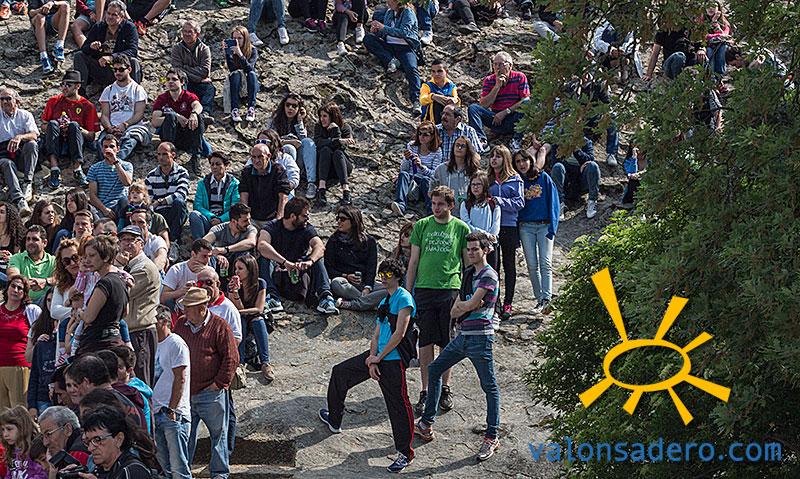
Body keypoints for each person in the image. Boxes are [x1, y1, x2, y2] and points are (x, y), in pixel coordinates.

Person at [319, 258, 416, 473]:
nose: (383, 278)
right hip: (379, 356)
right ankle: (334, 419)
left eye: (388, 274)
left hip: (393, 359)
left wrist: (379, 358)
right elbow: (377, 334)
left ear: (397, 276)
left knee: (398, 405)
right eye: (382, 274)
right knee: (340, 372)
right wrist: (372, 358)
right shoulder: (384, 301)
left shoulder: (404, 298)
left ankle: (405, 454)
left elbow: (400, 334)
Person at [415, 232, 501, 462]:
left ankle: (492, 436)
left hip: (481, 338)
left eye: (475, 249)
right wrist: (469, 305)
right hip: (463, 336)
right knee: (435, 369)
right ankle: (426, 423)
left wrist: (468, 305)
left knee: (489, 386)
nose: (471, 252)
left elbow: (469, 304)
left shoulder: (489, 275)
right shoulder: (469, 274)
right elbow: (455, 311)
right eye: (469, 249)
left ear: (485, 250)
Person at [405, 186, 470, 415]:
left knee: (446, 341)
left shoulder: (461, 228)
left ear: (451, 205)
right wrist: (407, 292)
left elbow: (467, 265)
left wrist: (464, 294)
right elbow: (413, 261)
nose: (436, 208)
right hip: (424, 288)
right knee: (425, 341)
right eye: (433, 203)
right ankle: (425, 390)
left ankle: (445, 387)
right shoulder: (422, 225)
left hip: (450, 289)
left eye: (441, 204)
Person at [174, 287, 238, 479]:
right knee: (186, 434)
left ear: (202, 308)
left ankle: (219, 473)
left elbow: (231, 358)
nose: (185, 311)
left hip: (211, 392)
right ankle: (184, 472)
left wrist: (218, 384)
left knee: (218, 435)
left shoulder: (219, 326)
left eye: (189, 307)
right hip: (187, 393)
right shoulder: (181, 324)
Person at [256, 197, 339, 315]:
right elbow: (262, 245)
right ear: (293, 216)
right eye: (304, 216)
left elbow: (319, 246)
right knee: (265, 258)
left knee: (318, 258)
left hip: (300, 274)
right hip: (278, 272)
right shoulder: (273, 227)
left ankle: (325, 298)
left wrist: (310, 261)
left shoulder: (306, 228)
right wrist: (285, 262)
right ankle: (272, 297)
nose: (307, 219)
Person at [513, 149, 559, 314]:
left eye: (524, 160)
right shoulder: (516, 181)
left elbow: (554, 202)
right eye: (518, 161)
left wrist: (553, 227)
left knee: (545, 262)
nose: (522, 164)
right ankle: (539, 300)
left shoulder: (543, 177)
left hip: (544, 225)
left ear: (530, 160)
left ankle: (547, 299)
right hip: (525, 227)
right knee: (532, 265)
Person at [115, 225, 159, 385]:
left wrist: (118, 266)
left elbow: (119, 293)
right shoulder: (130, 265)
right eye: (123, 240)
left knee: (140, 384)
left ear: (141, 243)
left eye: (131, 240)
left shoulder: (144, 268)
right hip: (129, 332)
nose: (126, 244)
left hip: (140, 333)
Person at [338, 221, 414, 312]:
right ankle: (372, 302)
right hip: (388, 284)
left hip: (400, 292)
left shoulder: (417, 259)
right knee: (341, 283)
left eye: (406, 235)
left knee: (389, 291)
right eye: (401, 234)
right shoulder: (397, 252)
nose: (402, 237)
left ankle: (356, 304)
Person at [40, 70, 99, 188]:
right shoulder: (54, 101)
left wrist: (77, 128)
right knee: (53, 123)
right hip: (57, 141)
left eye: (68, 85)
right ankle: (54, 169)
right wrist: (58, 126)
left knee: (74, 125)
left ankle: (77, 169)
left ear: (78, 86)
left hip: (75, 142)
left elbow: (91, 136)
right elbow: (43, 126)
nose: (64, 88)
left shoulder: (87, 106)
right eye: (62, 84)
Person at [364, 0, 422, 115]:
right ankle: (391, 60)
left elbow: (403, 32)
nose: (387, 2)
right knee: (368, 39)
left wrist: (383, 27)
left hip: (405, 48)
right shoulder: (389, 12)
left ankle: (416, 100)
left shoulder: (408, 12)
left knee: (411, 69)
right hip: (390, 46)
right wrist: (377, 31)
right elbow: (386, 33)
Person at [153, 305, 191, 479]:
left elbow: (180, 377)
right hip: (157, 411)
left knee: (178, 469)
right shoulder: (153, 344)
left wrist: (172, 409)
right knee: (165, 469)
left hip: (172, 413)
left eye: (153, 319)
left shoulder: (175, 343)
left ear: (164, 321)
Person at [73, 235, 129, 356]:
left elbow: (89, 317)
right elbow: (125, 312)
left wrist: (79, 312)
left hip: (98, 344)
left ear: (106, 257)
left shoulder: (105, 283)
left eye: (92, 255)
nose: (87, 260)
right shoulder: (121, 280)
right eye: (86, 256)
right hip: (115, 340)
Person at [486, 145, 524, 319]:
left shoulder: (515, 179)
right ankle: (495, 301)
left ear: (506, 159)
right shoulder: (487, 179)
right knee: (493, 265)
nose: (494, 159)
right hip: (491, 227)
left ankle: (508, 302)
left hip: (509, 226)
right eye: (492, 156)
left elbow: (519, 202)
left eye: (498, 156)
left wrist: (499, 201)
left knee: (509, 265)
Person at [73, 1, 141, 95]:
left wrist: (112, 57)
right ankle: (80, 94)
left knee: (134, 62)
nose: (110, 17)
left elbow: (132, 51)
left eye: (114, 15)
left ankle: (135, 95)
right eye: (108, 13)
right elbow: (84, 48)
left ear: (122, 16)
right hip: (102, 68)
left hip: (121, 70)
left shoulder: (129, 28)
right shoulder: (99, 27)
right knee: (79, 56)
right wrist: (91, 46)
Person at [468, 51, 530, 151]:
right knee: (473, 108)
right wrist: (497, 86)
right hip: (495, 119)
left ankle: (516, 141)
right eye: (495, 64)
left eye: (501, 64)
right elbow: (483, 105)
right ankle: (481, 140)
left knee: (527, 103)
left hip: (513, 118)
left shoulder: (519, 77)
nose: (497, 67)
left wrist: (506, 112)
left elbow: (525, 99)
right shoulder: (489, 80)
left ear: (510, 66)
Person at [97, 53, 151, 163]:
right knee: (100, 142)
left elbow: (139, 114)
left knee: (129, 141)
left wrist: (125, 125)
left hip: (132, 127)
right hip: (112, 127)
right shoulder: (108, 90)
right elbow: (105, 115)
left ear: (129, 69)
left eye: (121, 69)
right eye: (115, 70)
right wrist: (109, 128)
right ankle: (107, 166)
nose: (117, 72)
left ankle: (114, 164)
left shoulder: (138, 89)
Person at [228, 254, 274, 381]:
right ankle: (240, 363)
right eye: (236, 268)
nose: (236, 272)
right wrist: (235, 293)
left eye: (240, 269)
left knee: (258, 320)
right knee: (240, 321)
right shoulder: (232, 285)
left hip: (255, 316)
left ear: (250, 270)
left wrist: (240, 312)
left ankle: (265, 362)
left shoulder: (260, 283)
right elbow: (236, 308)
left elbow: (258, 308)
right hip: (241, 317)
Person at [80, 405, 158, 478]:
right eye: (88, 441)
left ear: (119, 439)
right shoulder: (99, 469)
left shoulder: (133, 471)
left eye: (97, 440)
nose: (90, 448)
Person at [151, 70, 206, 174]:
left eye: (174, 79)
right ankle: (168, 156)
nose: (170, 82)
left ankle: (196, 157)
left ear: (182, 82)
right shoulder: (162, 98)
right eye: (168, 79)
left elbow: (198, 105)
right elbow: (155, 121)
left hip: (187, 135)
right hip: (170, 135)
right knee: (170, 116)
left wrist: (194, 114)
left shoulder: (188, 96)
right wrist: (176, 116)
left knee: (198, 117)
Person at [0, 276, 41, 408]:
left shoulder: (31, 311)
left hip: (19, 366)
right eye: (13, 286)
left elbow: (40, 333)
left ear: (24, 293)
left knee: (19, 411)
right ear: (7, 288)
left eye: (20, 288)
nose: (16, 290)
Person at [326, 206, 378, 306]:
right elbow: (328, 267)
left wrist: (367, 287)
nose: (339, 222)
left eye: (343, 219)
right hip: (345, 281)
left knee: (391, 289)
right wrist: (346, 276)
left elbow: (371, 267)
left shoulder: (369, 241)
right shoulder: (334, 241)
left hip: (363, 282)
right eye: (338, 218)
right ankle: (365, 301)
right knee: (336, 283)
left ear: (353, 221)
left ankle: (357, 303)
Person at [0, 86, 40, 213]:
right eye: (1, 99)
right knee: (6, 163)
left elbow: (34, 134)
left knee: (32, 144)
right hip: (3, 154)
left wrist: (19, 137)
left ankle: (27, 183)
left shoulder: (25, 115)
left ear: (16, 101)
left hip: (21, 153)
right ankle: (19, 200)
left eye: (8, 98)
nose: (4, 102)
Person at [391, 121, 442, 216]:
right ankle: (400, 205)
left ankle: (431, 211)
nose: (422, 137)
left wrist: (421, 166)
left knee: (426, 180)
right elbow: (404, 169)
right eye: (420, 134)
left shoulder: (437, 152)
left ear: (432, 136)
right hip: (411, 179)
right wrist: (406, 159)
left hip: (424, 183)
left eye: (425, 135)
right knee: (403, 175)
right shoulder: (411, 146)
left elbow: (434, 174)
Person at [145, 142, 190, 249]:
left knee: (179, 202)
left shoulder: (182, 172)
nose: (161, 157)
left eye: (164, 154)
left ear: (173, 155)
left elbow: (181, 194)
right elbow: (148, 199)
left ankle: (173, 240)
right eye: (159, 154)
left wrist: (160, 202)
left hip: (175, 211)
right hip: (159, 213)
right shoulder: (151, 176)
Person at [269, 93, 316, 196]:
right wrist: (290, 142)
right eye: (288, 105)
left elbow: (304, 140)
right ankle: (287, 183)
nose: (290, 108)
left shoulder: (302, 121)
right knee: (289, 148)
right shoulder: (275, 120)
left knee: (308, 142)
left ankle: (311, 183)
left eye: (294, 106)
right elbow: (270, 140)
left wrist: (300, 121)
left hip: (299, 161)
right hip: (282, 159)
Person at [190, 152, 241, 240]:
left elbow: (235, 207)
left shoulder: (234, 184)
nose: (214, 167)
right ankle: (200, 243)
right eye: (212, 164)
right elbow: (197, 205)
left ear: (226, 165)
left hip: (226, 222)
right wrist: (211, 216)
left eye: (218, 164)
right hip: (208, 219)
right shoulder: (203, 183)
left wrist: (221, 219)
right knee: (194, 215)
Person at [238, 143, 291, 228]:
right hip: (252, 218)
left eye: (260, 157)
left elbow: (283, 197)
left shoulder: (278, 171)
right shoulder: (247, 172)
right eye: (253, 157)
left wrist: (279, 220)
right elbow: (244, 196)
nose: (256, 160)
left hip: (272, 218)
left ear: (268, 156)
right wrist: (245, 218)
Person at [171, 20, 216, 118]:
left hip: (200, 84)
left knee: (210, 88)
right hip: (186, 81)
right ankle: (183, 111)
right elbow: (177, 70)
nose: (186, 34)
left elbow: (205, 71)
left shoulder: (204, 49)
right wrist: (198, 77)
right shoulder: (177, 49)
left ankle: (204, 113)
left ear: (197, 34)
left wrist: (185, 68)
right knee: (179, 82)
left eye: (190, 32)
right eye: (184, 31)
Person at [313, 102, 355, 206]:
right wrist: (338, 140)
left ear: (332, 116)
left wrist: (336, 130)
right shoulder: (318, 127)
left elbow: (341, 147)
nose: (322, 119)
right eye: (320, 116)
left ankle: (346, 190)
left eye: (325, 116)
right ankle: (321, 189)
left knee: (337, 152)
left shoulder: (345, 127)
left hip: (341, 165)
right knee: (325, 150)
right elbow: (318, 143)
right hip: (325, 167)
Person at [550, 137, 600, 218]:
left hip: (581, 181)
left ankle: (592, 201)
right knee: (557, 166)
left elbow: (590, 158)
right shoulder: (558, 143)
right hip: (566, 182)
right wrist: (577, 168)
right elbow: (555, 163)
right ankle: (559, 204)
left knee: (593, 165)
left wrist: (576, 150)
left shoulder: (586, 142)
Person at [430, 136, 481, 217]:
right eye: (457, 145)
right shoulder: (441, 169)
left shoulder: (474, 172)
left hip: (469, 214)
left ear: (468, 150)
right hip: (446, 215)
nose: (459, 148)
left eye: (463, 146)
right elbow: (431, 191)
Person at [87, 135, 134, 220]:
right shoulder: (94, 168)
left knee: (125, 201)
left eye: (112, 146)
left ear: (118, 149)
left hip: (120, 207)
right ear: (102, 149)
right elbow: (92, 196)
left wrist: (115, 162)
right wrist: (104, 209)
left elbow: (127, 182)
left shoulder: (127, 165)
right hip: (102, 207)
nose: (108, 149)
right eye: (105, 147)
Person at [460, 172, 500, 269]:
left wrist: (490, 237)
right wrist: (485, 234)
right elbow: (467, 224)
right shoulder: (465, 204)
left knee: (491, 272)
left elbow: (496, 223)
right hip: (472, 244)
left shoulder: (493, 203)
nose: (475, 187)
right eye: (473, 184)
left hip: (490, 245)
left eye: (478, 184)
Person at [203, 203, 257, 274]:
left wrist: (226, 249)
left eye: (249, 219)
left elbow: (251, 242)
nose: (249, 223)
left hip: (239, 264)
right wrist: (216, 254)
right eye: (245, 221)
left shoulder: (250, 229)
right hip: (221, 264)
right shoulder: (219, 229)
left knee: (246, 255)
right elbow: (203, 243)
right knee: (210, 258)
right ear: (234, 221)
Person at [25, 294, 56, 417]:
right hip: (42, 394)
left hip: (63, 392)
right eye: (48, 300)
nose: (51, 303)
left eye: (54, 300)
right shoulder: (37, 325)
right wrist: (38, 344)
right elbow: (28, 358)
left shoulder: (69, 323)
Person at [8, 226, 57, 303]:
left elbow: (60, 279)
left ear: (44, 243)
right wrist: (32, 283)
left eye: (35, 239)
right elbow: (13, 276)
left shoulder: (53, 260)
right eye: (28, 239)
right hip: (22, 301)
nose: (30, 242)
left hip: (45, 303)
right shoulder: (17, 258)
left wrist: (46, 281)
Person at [195, 267, 243, 343]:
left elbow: (236, 338)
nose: (204, 286)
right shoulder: (194, 304)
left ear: (217, 284)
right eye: (200, 283)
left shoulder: (228, 308)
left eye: (209, 282)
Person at [160, 239, 213, 307]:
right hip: (180, 309)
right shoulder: (177, 270)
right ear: (193, 254)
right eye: (204, 256)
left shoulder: (210, 272)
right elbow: (163, 297)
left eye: (209, 256)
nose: (207, 260)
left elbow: (214, 295)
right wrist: (183, 291)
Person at [52, 238, 80, 363]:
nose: (72, 263)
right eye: (67, 261)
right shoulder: (61, 285)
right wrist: (77, 312)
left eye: (75, 257)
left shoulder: (92, 278)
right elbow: (54, 311)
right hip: (66, 336)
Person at [0, 406, 48, 479]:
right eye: (3, 430)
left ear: (22, 428)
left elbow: (43, 474)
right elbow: (9, 474)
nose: (5, 434)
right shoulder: (11, 450)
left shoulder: (34, 448)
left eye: (9, 429)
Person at [225, 25, 259, 123]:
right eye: (234, 38)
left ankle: (251, 108)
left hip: (249, 82)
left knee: (252, 74)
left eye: (239, 38)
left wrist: (240, 54)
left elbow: (250, 68)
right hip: (236, 82)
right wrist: (228, 53)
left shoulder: (253, 50)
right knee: (236, 74)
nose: (237, 41)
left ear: (245, 39)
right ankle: (234, 109)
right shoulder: (230, 51)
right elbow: (232, 69)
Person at [28, 0, 70, 74]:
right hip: (39, 20)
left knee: (65, 6)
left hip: (55, 19)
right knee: (39, 17)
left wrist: (52, 3)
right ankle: (43, 56)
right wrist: (42, 9)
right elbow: (31, 13)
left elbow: (66, 3)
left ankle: (59, 46)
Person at [420, 60, 459, 124]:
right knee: (437, 97)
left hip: (447, 117)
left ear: (446, 72)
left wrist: (452, 100)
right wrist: (433, 96)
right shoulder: (427, 85)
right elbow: (422, 100)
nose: (436, 74)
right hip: (429, 121)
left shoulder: (451, 86)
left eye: (439, 71)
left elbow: (456, 99)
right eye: (433, 71)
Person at [0, 202, 24, 285]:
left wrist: (12, 257)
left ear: (9, 216)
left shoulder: (16, 236)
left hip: (8, 266)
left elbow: (19, 256)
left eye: (2, 212)